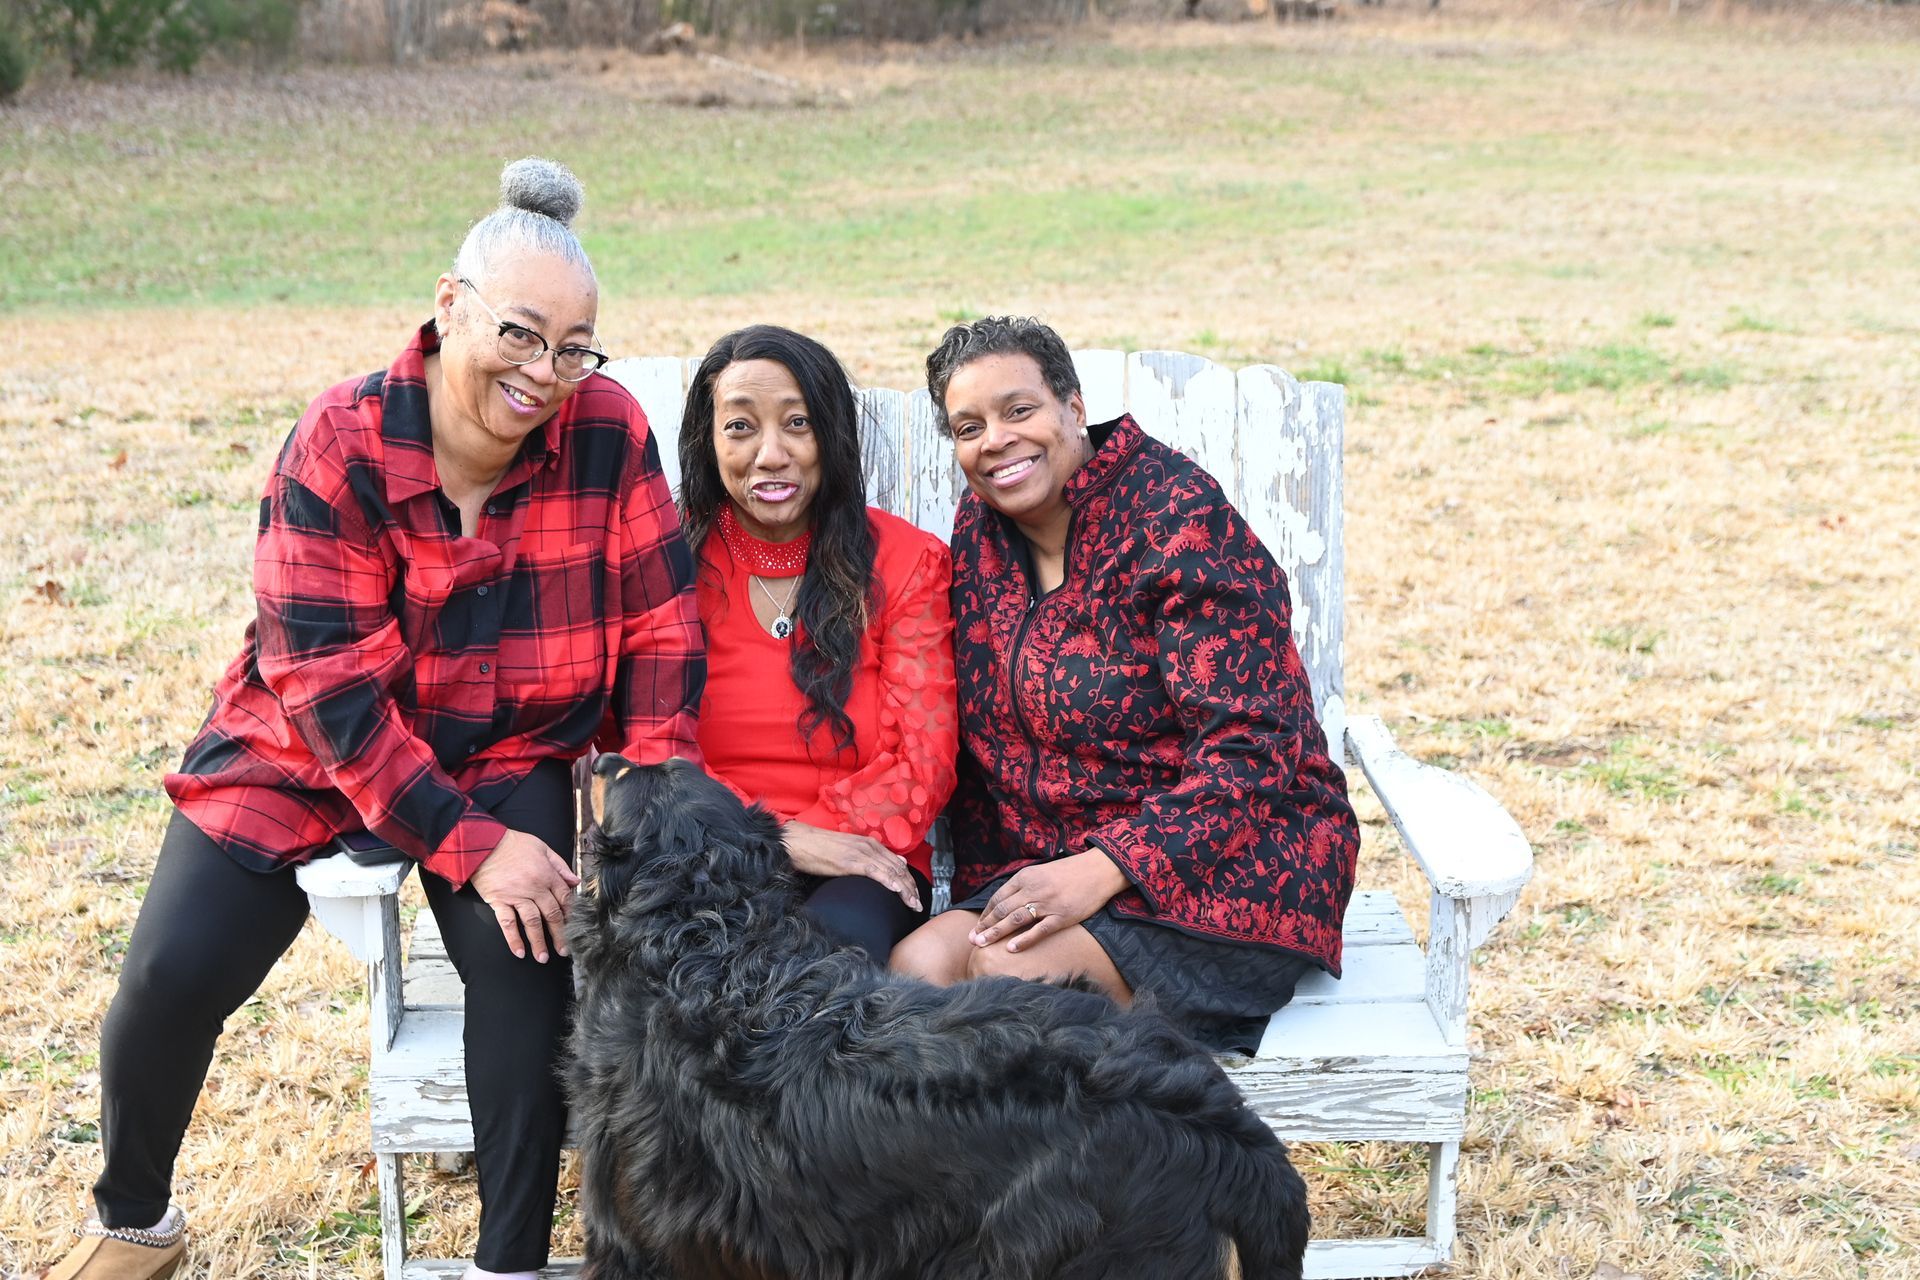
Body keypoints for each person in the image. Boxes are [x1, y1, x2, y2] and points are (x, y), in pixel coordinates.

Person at [46, 159, 704, 1280]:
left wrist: (646, 803)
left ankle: (505, 1263)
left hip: (505, 741)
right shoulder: (340, 439)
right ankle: (135, 1222)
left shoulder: (609, 430)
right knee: (169, 974)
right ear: (450, 305)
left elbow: (660, 629)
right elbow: (330, 695)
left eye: (573, 348)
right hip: (307, 746)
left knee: (524, 969)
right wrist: (471, 845)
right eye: (520, 334)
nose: (544, 373)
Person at [890, 316, 1361, 1055]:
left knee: (1009, 978)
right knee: (917, 968)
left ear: (1073, 408)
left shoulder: (1176, 518)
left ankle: (1129, 1130)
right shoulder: (981, 535)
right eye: (968, 427)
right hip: (1061, 860)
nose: (996, 441)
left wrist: (1108, 867)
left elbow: (1256, 745)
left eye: (1019, 410)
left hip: (1240, 853)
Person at [678, 325, 957, 962]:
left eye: (797, 423)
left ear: (831, 436)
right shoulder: (668, 565)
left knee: (824, 963)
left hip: (863, 861)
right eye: (740, 427)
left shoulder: (906, 563)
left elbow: (925, 762)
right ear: (708, 442)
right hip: (703, 847)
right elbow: (650, 749)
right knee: (691, 962)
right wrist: (776, 840)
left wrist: (823, 841)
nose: (771, 454)